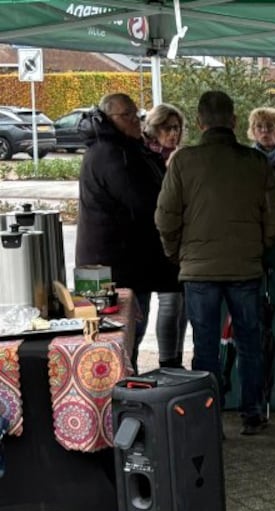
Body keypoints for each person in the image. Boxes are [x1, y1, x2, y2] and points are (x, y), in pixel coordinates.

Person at [155, 90, 275, 436]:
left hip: (198, 271)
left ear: (199, 123)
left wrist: (177, 253)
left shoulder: (183, 162)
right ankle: (253, 413)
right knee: (250, 343)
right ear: (234, 121)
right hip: (245, 268)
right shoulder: (255, 163)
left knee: (205, 346)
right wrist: (257, 248)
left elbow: (165, 217)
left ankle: (207, 419)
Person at [76, 93, 174, 372]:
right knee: (118, 340)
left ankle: (123, 387)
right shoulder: (112, 153)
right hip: (115, 267)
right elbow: (143, 202)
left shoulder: (118, 147)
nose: (135, 120)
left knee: (117, 340)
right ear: (108, 118)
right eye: (126, 115)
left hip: (108, 262)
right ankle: (121, 391)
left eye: (136, 114)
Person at [139, 102, 189, 369]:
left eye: (177, 128)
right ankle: (168, 361)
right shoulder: (147, 157)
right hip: (154, 238)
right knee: (169, 301)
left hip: (180, 238)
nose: (173, 133)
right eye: (167, 128)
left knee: (182, 303)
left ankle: (177, 358)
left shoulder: (181, 157)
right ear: (154, 128)